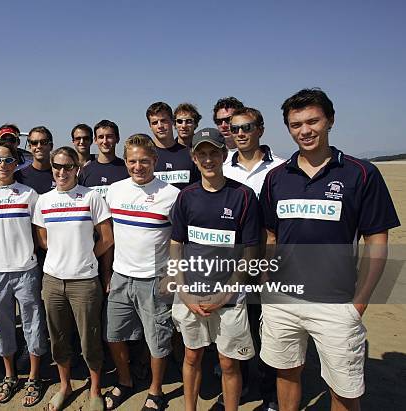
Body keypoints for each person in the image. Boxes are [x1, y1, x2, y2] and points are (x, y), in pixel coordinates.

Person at [259, 88, 400, 411]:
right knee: (287, 372)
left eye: (313, 121)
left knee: (345, 389)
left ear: (330, 120)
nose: (305, 131)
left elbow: (377, 241)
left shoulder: (360, 173)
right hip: (283, 299)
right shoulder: (277, 178)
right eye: (296, 125)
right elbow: (270, 236)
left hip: (336, 303)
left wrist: (359, 302)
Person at [170, 128, 259, 411]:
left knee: (228, 362)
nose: (208, 160)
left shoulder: (243, 196)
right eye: (202, 154)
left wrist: (225, 294)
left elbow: (251, 251)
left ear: (224, 155)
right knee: (192, 357)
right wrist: (183, 291)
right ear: (194, 158)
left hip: (229, 299)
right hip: (191, 296)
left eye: (214, 153)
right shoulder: (186, 197)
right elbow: (176, 244)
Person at [33, 146, 114, 411]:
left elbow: (107, 238)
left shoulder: (91, 198)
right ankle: (65, 386)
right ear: (52, 169)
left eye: (68, 167)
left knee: (90, 339)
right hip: (53, 281)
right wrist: (63, 256)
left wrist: (84, 256)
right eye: (57, 166)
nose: (62, 172)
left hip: (85, 282)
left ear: (77, 169)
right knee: (58, 338)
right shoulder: (43, 201)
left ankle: (94, 390)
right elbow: (43, 240)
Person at [103, 134, 180, 411]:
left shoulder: (171, 195)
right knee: (114, 335)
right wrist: (108, 273)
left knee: (158, 340)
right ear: (125, 162)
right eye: (133, 161)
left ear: (155, 161)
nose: (138, 166)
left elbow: (178, 242)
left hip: (155, 280)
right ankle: (125, 381)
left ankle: (155, 391)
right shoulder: (115, 191)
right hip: (121, 277)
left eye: (144, 161)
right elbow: (109, 235)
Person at [0, 141, 48, 406]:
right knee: (2, 326)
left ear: (16, 163)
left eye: (7, 160)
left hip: (26, 270)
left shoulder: (29, 195)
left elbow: (39, 232)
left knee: (33, 324)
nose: (2, 165)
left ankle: (34, 376)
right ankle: (9, 376)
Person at [222, 107, 283, 411]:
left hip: (266, 266)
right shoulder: (223, 168)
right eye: (235, 129)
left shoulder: (281, 169)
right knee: (238, 330)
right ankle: (242, 386)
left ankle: (271, 395)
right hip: (230, 267)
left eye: (247, 127)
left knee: (267, 333)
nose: (241, 133)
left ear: (260, 128)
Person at [146, 101, 200, 190]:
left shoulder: (191, 154)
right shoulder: (146, 157)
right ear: (150, 126)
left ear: (172, 121)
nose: (160, 126)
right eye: (155, 122)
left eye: (163, 120)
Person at [78, 119, 129, 198]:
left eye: (109, 137)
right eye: (101, 137)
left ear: (117, 139)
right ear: (95, 140)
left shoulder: (127, 169)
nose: (105, 141)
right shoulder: (85, 172)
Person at [15, 126, 56, 194]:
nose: (39, 146)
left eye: (43, 142)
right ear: (29, 147)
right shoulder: (18, 177)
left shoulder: (60, 175)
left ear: (51, 146)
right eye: (34, 143)